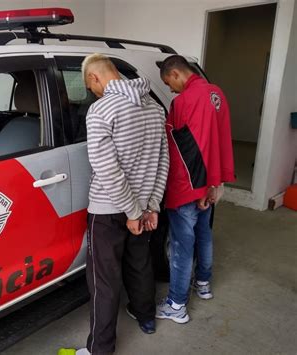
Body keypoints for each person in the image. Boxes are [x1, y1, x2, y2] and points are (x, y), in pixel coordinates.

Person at [62, 53, 169, 355]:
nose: (92, 91)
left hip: (108, 211)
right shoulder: (154, 108)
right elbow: (163, 161)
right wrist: (151, 206)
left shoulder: (100, 111)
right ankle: (146, 316)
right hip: (144, 207)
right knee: (140, 263)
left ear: (95, 78)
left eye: (89, 86)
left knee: (104, 281)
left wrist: (133, 211)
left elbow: (108, 169)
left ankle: (100, 348)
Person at [155, 55, 235, 324]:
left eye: (169, 83)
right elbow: (218, 141)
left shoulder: (184, 101)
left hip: (190, 186)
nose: (170, 90)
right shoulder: (216, 93)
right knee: (204, 234)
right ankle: (203, 284)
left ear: (176, 73)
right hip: (210, 182)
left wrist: (199, 189)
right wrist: (213, 184)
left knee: (181, 246)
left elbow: (185, 150)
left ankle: (176, 304)